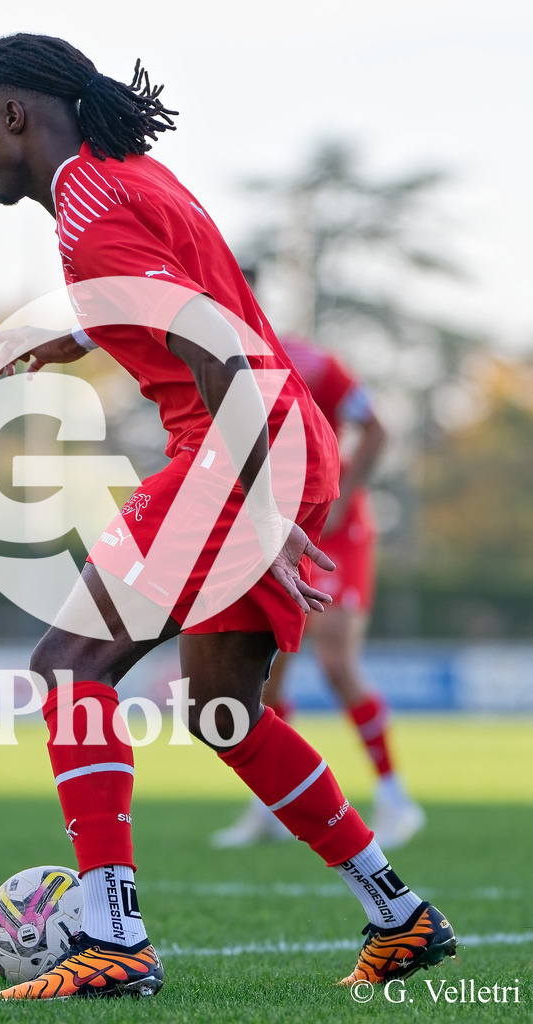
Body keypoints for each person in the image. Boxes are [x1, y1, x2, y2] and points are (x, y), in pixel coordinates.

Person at [0, 33, 455, 999]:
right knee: (224, 711)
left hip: (236, 449)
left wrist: (262, 513)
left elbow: (216, 347)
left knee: (67, 667)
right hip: (279, 440)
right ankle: (397, 913)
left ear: (14, 116)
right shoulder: (123, 176)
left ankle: (112, 936)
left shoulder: (87, 218)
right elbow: (183, 296)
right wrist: (79, 333)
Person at [211, 330, 426, 851]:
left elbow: (376, 428)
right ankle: (269, 804)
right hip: (279, 522)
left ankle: (395, 797)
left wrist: (344, 498)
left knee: (334, 660)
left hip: (333, 528)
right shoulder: (227, 359)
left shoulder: (313, 361)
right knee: (269, 672)